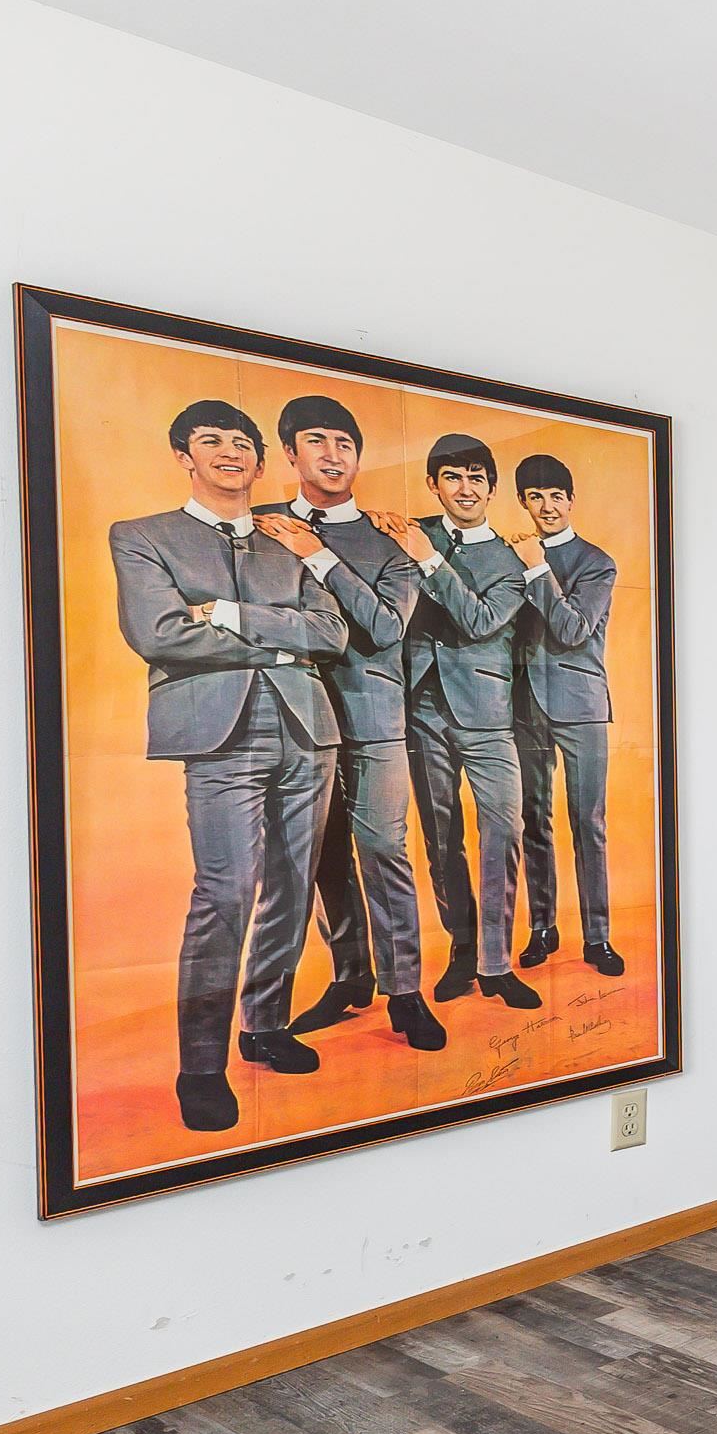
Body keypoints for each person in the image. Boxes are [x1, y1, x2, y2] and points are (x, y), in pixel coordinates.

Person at [107, 400, 349, 1131]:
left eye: (242, 442)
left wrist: (237, 618)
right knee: (226, 891)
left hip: (310, 729)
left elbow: (332, 631)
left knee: (291, 884)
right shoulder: (144, 536)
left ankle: (265, 1024)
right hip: (220, 733)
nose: (229, 452)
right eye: (211, 441)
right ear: (185, 455)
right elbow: (158, 634)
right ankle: (201, 1066)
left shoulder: (286, 540)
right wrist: (284, 644)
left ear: (260, 460)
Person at [255, 396, 444, 1051]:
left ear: (358, 456)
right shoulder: (255, 528)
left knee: (384, 850)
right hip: (293, 721)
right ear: (289, 452)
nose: (332, 454)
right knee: (319, 857)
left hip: (372, 716)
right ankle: (349, 974)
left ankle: (406, 991)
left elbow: (386, 628)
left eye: (345, 442)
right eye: (316, 440)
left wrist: (319, 556)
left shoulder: (391, 537)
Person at [375, 434, 547, 1011]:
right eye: (452, 477)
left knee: (504, 830)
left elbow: (478, 622)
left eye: (476, 478)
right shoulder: (406, 530)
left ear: (492, 488)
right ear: (434, 485)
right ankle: (462, 949)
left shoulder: (514, 556)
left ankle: (496, 965)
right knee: (440, 838)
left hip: (489, 713)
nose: (465, 488)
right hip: (421, 708)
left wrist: (426, 556)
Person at [509, 455, 625, 977]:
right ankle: (542, 927)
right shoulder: (511, 556)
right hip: (524, 706)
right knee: (535, 818)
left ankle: (597, 937)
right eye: (536, 497)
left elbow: (574, 629)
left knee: (588, 823)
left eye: (556, 496)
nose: (547, 506)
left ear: (570, 501)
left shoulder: (597, 562)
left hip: (581, 708)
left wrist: (535, 566)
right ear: (523, 503)